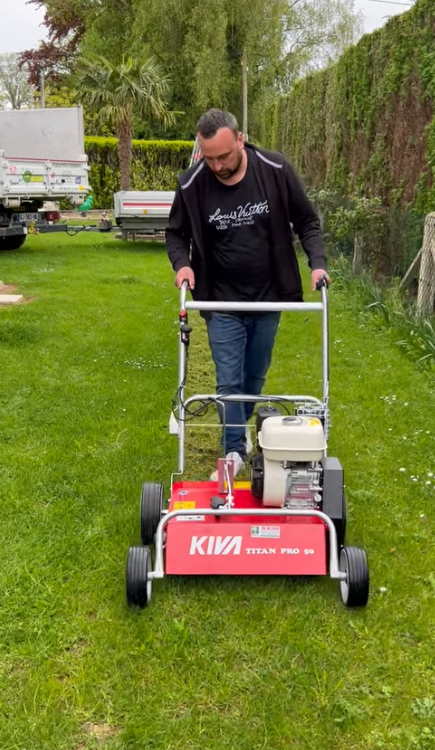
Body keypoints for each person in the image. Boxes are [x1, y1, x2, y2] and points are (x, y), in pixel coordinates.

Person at [166, 108, 330, 479]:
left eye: (224, 156)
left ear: (240, 139)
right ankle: (234, 451)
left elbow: (306, 220)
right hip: (220, 299)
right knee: (229, 380)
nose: (217, 166)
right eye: (209, 158)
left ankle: (251, 432)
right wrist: (183, 266)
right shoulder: (192, 183)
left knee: (254, 376)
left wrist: (316, 263)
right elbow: (175, 233)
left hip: (267, 296)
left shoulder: (274, 169)